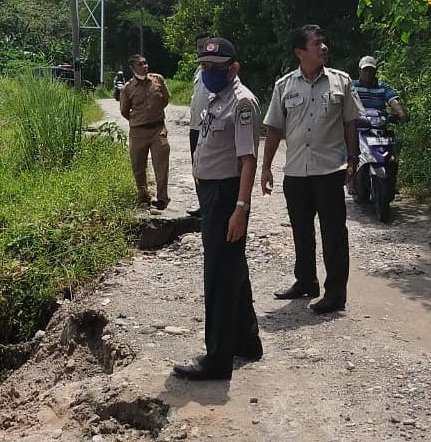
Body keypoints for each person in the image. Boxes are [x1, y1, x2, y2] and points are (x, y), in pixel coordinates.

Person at [173, 37, 263, 381]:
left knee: (219, 275)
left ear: (233, 68)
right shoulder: (217, 98)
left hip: (227, 195)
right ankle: (246, 340)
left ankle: (217, 359)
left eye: (216, 67)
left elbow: (247, 160)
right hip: (213, 193)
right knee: (232, 268)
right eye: (205, 67)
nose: (209, 72)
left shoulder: (241, 103)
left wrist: (240, 207)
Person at [260, 24, 364, 315]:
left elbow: (350, 122)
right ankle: (306, 280)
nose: (323, 47)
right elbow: (273, 129)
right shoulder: (284, 86)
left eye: (323, 42)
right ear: (300, 52)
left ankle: (335, 294)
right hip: (295, 172)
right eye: (316, 43)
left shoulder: (340, 82)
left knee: (334, 234)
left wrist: (353, 158)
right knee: (301, 231)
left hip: (329, 170)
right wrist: (266, 168)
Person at [349, 55, 406, 196]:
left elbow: (393, 100)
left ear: (375, 72)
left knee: (394, 151)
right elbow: (344, 100)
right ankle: (350, 176)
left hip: (380, 127)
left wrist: (400, 113)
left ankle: (391, 181)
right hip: (359, 127)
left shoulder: (383, 86)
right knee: (348, 147)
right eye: (365, 70)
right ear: (360, 71)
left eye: (371, 71)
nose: (368, 73)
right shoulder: (352, 85)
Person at [120, 54, 171, 210]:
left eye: (145, 63)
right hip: (138, 132)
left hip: (158, 129)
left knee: (161, 164)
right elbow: (124, 110)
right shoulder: (128, 88)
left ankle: (162, 199)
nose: (145, 66)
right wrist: (138, 120)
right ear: (133, 67)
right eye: (141, 64)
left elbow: (165, 99)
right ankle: (143, 196)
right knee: (138, 166)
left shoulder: (158, 80)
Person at [187, 32, 212, 217]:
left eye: (205, 46)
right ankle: (203, 205)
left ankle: (210, 207)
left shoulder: (218, 71)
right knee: (197, 167)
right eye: (199, 47)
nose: (202, 50)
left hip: (209, 128)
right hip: (195, 127)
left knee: (209, 168)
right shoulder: (199, 71)